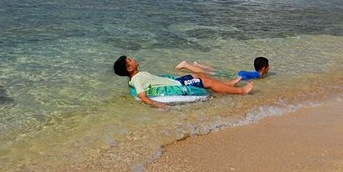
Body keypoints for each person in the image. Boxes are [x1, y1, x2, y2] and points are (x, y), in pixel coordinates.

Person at [113, 55, 254, 108]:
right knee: (205, 81)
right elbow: (143, 96)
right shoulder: (136, 79)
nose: (132, 58)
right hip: (177, 85)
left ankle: (226, 86)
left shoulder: (137, 75)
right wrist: (160, 105)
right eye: (130, 60)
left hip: (174, 81)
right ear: (130, 68)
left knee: (197, 74)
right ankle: (241, 91)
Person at [175, 57, 270, 85]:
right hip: (235, 76)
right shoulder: (258, 75)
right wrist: (241, 79)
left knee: (215, 71)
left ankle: (197, 65)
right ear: (264, 68)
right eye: (268, 66)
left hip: (235, 74)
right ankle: (185, 65)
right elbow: (244, 75)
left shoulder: (256, 73)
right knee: (209, 73)